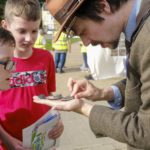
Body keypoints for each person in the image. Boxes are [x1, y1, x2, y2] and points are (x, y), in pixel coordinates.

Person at [34, 0, 150, 150]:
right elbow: (142, 78)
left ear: (103, 6)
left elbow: (145, 132)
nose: (86, 42)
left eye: (83, 31)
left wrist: (85, 108)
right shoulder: (139, 24)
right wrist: (104, 92)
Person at [0, 0, 64, 149]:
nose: (29, 38)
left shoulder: (46, 57)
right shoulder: (2, 63)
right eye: (22, 31)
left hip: (41, 140)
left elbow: (49, 94)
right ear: (5, 26)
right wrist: (6, 138)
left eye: (34, 31)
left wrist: (57, 118)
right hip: (9, 142)